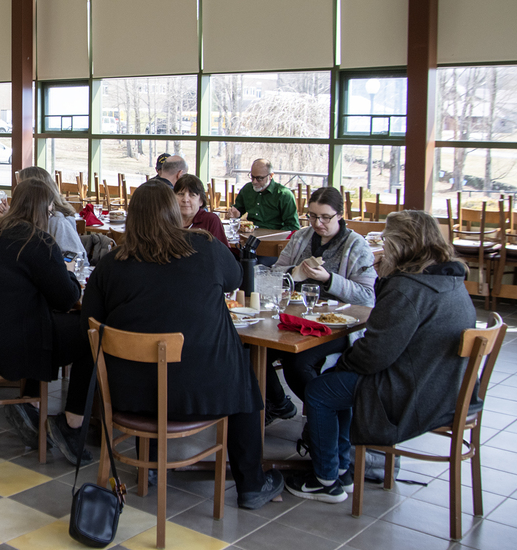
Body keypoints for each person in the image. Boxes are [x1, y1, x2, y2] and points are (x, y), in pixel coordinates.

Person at [81, 180, 284, 509]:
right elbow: (235, 280)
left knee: (156, 364)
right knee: (243, 377)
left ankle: (148, 466)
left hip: (127, 394)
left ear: (132, 216)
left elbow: (89, 322)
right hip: (202, 391)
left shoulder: (112, 262)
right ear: (174, 212)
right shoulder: (205, 247)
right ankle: (251, 484)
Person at [287, 210, 476, 504]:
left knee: (320, 390)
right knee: (335, 381)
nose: (384, 248)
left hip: (413, 393)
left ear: (402, 244)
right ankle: (341, 469)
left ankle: (325, 480)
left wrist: (345, 363)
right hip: (445, 385)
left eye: (387, 242)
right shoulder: (449, 279)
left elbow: (375, 354)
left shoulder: (408, 288)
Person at [0, 177, 94, 465]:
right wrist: (69, 272)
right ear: (45, 209)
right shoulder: (37, 241)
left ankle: (31, 405)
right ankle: (71, 425)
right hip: (14, 346)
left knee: (39, 320)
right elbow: (66, 298)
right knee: (90, 335)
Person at [263, 187, 378, 424]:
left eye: (325, 217)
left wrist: (329, 280)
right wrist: (294, 273)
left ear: (340, 215)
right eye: (313, 216)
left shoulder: (356, 245)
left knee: (297, 363)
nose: (318, 223)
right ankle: (280, 403)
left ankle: (327, 418)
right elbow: (274, 274)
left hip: (339, 325)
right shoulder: (301, 237)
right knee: (252, 351)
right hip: (295, 319)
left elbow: (367, 296)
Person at [0, 166, 87, 265]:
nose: (16, 190)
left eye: (20, 185)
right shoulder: (28, 219)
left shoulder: (57, 221)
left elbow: (78, 258)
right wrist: (7, 217)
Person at [227, 158, 301, 232]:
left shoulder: (284, 195)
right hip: (249, 233)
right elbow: (238, 210)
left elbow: (293, 226)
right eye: (252, 177)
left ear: (271, 176)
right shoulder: (247, 189)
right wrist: (234, 214)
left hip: (273, 235)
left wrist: (275, 235)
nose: (254, 182)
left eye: (259, 178)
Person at [173, 174, 226, 243]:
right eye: (181, 194)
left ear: (201, 201)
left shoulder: (210, 220)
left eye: (192, 195)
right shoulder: (167, 219)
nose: (185, 200)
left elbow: (221, 249)